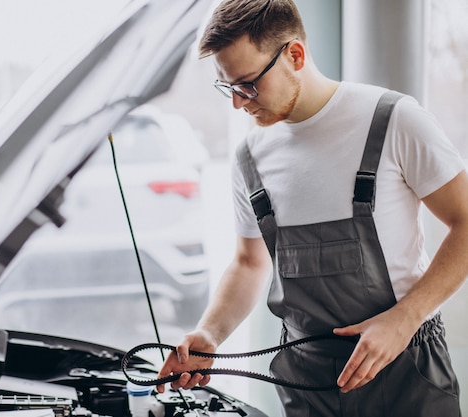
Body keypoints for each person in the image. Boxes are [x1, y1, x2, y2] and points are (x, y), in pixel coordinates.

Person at [155, 0, 468, 416]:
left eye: (246, 84)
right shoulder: (250, 157)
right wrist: (210, 333)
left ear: (295, 55)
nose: (237, 103)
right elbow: (250, 263)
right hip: (307, 382)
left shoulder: (394, 120)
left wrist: (405, 319)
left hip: (406, 369)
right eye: (227, 86)